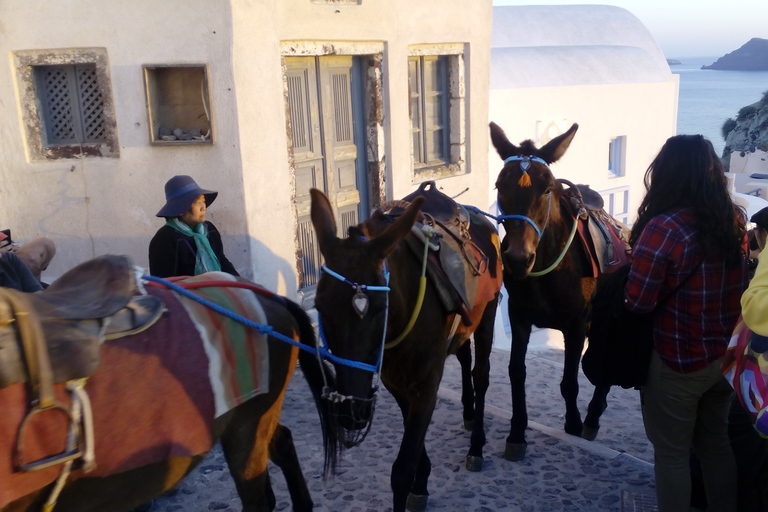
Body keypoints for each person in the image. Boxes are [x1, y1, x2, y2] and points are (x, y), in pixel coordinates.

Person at [624, 134, 747, 512]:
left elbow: (637, 302)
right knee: (715, 442)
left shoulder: (663, 228)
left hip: (679, 360)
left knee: (673, 455)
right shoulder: (735, 220)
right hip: (724, 359)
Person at [149, 175, 239, 278]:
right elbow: (165, 282)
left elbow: (221, 261)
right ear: (181, 209)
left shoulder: (209, 230)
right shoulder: (165, 238)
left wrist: (241, 284)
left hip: (216, 289)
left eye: (203, 201)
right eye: (197, 202)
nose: (203, 208)